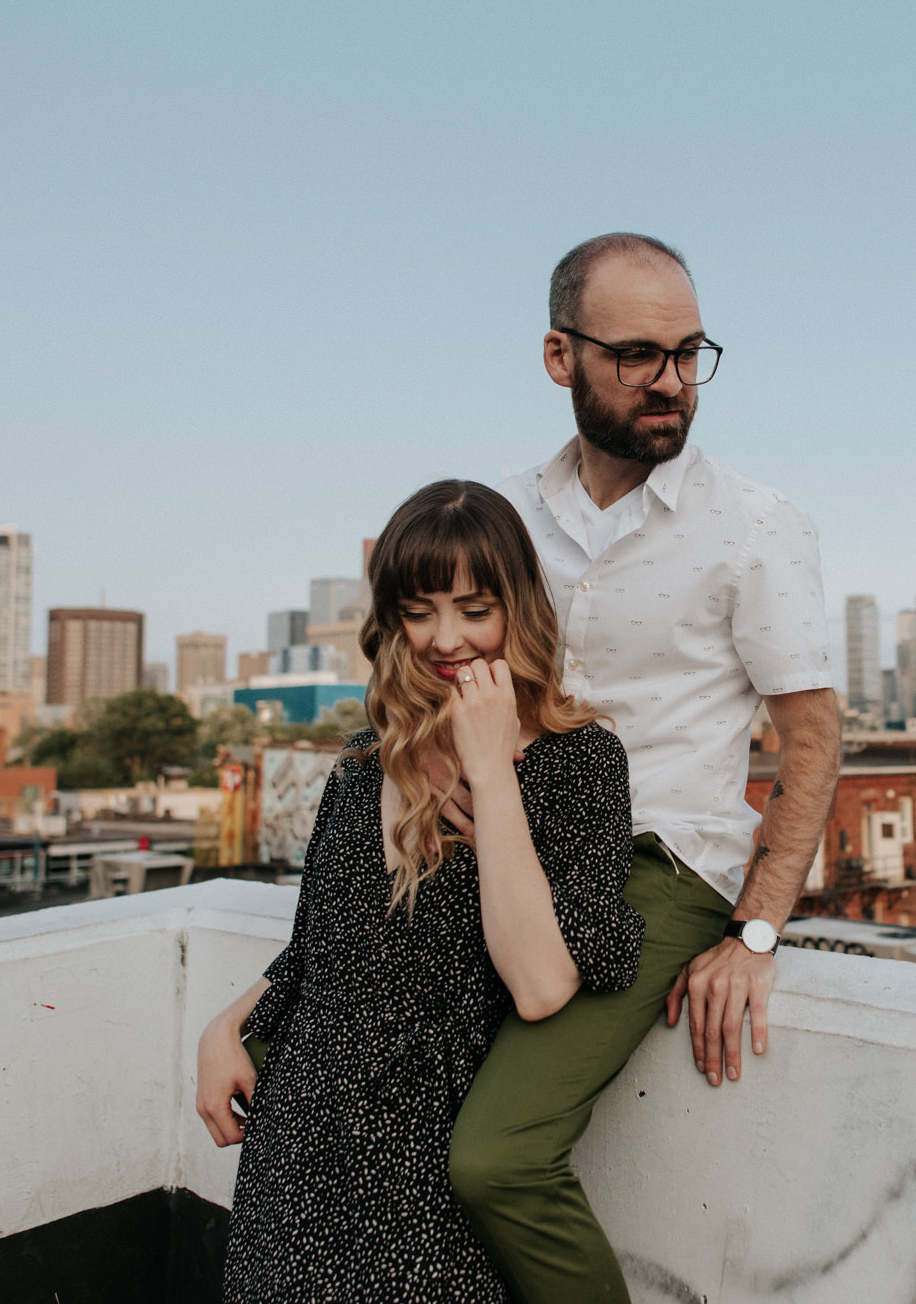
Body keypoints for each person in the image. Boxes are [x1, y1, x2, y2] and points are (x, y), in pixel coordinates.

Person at [444, 234, 842, 1302]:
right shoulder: (503, 515)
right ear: (557, 356)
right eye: (634, 354)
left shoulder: (756, 527)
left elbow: (810, 739)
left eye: (687, 352)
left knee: (494, 1157)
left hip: (656, 866)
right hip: (502, 853)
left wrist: (754, 933)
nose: (669, 382)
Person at [195, 479, 646, 1303]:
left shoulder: (583, 763)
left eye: (476, 608)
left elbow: (543, 985)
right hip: (303, 1136)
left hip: (428, 1151)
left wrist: (490, 772)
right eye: (419, 609)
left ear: (519, 606)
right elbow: (326, 949)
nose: (447, 638)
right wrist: (226, 1025)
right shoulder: (365, 762)